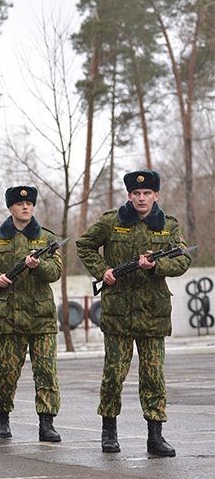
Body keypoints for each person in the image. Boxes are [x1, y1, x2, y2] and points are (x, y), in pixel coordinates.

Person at [76, 170, 192, 456]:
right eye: (136, 194)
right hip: (118, 310)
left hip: (153, 312)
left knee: (154, 377)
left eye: (147, 193)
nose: (142, 198)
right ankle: (109, 431)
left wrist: (157, 266)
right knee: (114, 375)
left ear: (156, 196)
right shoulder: (111, 221)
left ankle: (155, 436)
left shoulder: (168, 226)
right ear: (129, 196)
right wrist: (102, 271)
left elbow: (183, 260)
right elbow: (84, 245)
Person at [0, 186, 64, 442]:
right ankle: (2, 416)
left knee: (46, 371)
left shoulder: (46, 238)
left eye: (29, 203)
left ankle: (46, 422)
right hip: (9, 316)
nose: (25, 207)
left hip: (42, 317)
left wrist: (39, 266)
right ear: (10, 208)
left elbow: (55, 272)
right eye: (19, 203)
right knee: (8, 371)